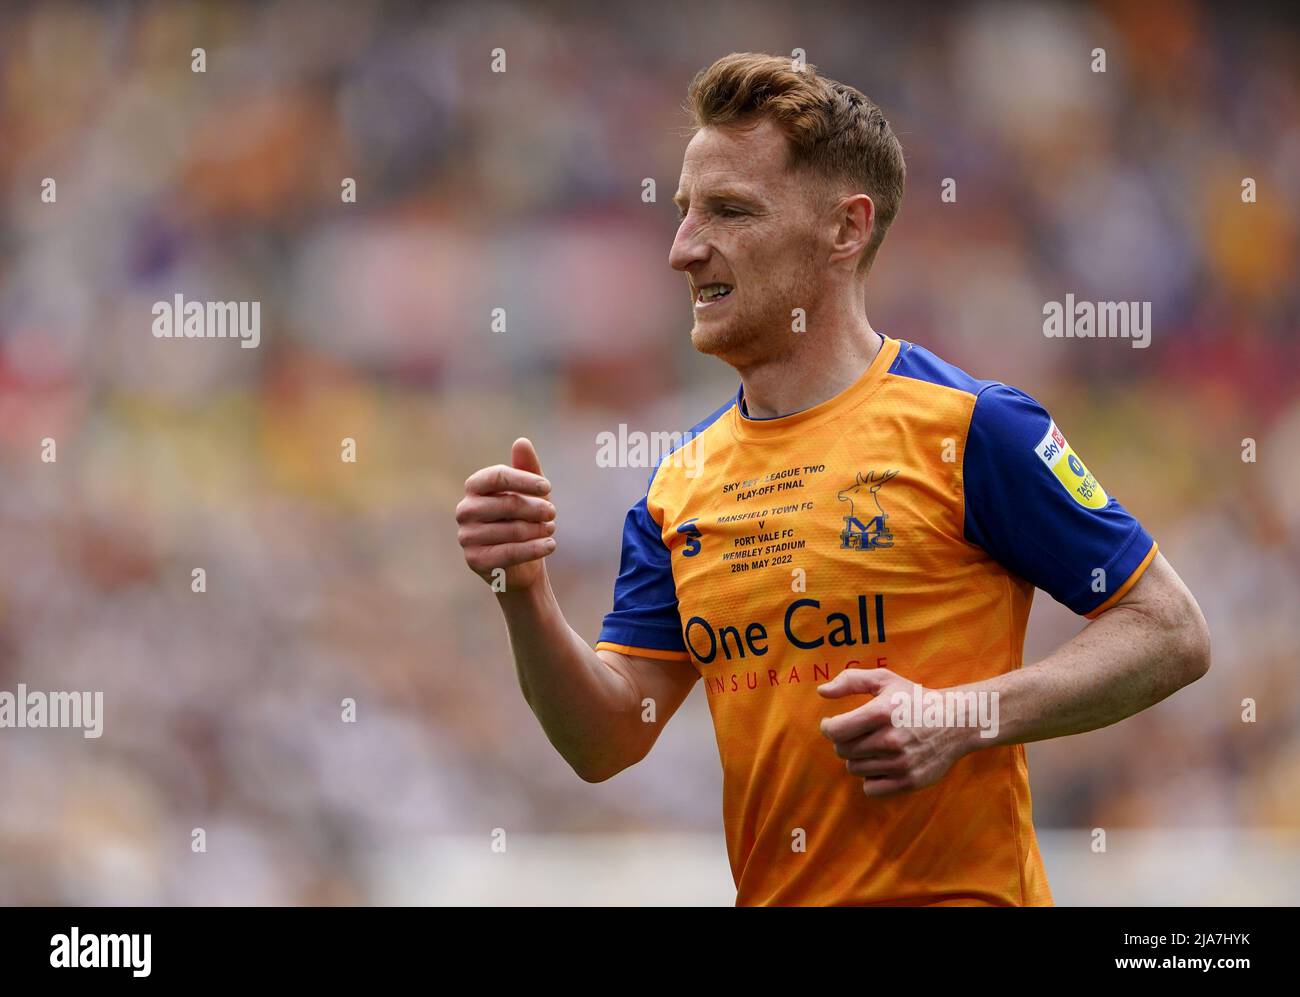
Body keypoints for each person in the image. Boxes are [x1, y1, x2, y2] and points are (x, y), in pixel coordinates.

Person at [455, 52, 1211, 906]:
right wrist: (524, 592)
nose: (682, 248)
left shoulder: (972, 427)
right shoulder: (679, 484)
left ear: (845, 228)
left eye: (730, 210)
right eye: (683, 212)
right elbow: (606, 739)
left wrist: (962, 715)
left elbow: (1169, 631)